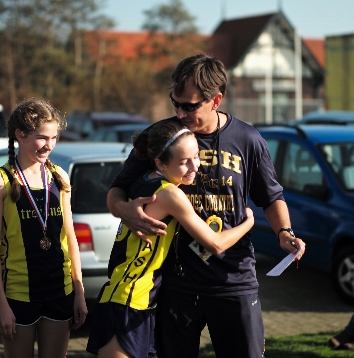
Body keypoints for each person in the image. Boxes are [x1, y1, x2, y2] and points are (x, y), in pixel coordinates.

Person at [107, 53, 306, 358]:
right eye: (175, 103)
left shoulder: (248, 139)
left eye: (190, 106)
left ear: (216, 100)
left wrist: (284, 232)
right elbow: (116, 191)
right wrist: (125, 210)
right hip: (175, 283)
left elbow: (271, 197)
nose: (180, 112)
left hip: (233, 280)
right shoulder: (162, 138)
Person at [87, 121, 256, 358]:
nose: (194, 166)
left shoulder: (145, 180)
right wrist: (248, 222)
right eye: (183, 162)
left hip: (138, 299)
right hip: (127, 299)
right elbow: (215, 244)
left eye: (196, 157)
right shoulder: (170, 194)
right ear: (160, 163)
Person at [0, 97, 88, 358]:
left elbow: (70, 237)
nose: (49, 145)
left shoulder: (59, 176)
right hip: (18, 293)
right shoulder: (0, 180)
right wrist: (0, 303)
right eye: (42, 137)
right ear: (20, 135)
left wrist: (79, 291)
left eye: (53, 138)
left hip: (59, 289)